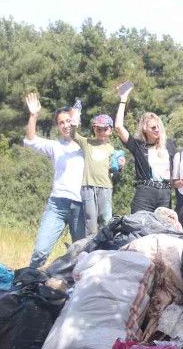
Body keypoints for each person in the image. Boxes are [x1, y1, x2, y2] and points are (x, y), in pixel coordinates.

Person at [22, 92, 86, 268]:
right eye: (61, 123)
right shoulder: (55, 146)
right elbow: (30, 140)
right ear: (58, 126)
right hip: (57, 205)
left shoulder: (86, 145)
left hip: (81, 206)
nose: (65, 125)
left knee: (81, 254)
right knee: (40, 252)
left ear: (76, 122)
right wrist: (33, 115)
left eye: (68, 121)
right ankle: (27, 282)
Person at [114, 81, 174, 213]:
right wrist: (123, 99)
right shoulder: (138, 146)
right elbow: (118, 126)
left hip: (165, 193)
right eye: (153, 127)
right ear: (144, 129)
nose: (157, 130)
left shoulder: (169, 145)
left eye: (158, 126)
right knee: (140, 230)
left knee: (163, 231)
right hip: (145, 194)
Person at [73, 113, 118, 235]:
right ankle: (90, 249)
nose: (102, 132)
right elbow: (73, 135)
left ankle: (105, 247)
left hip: (106, 187)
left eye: (105, 129)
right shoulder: (87, 143)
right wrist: (75, 122)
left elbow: (115, 169)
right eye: (98, 129)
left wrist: (120, 165)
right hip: (88, 186)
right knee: (90, 220)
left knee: (105, 219)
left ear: (111, 130)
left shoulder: (112, 149)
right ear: (94, 129)